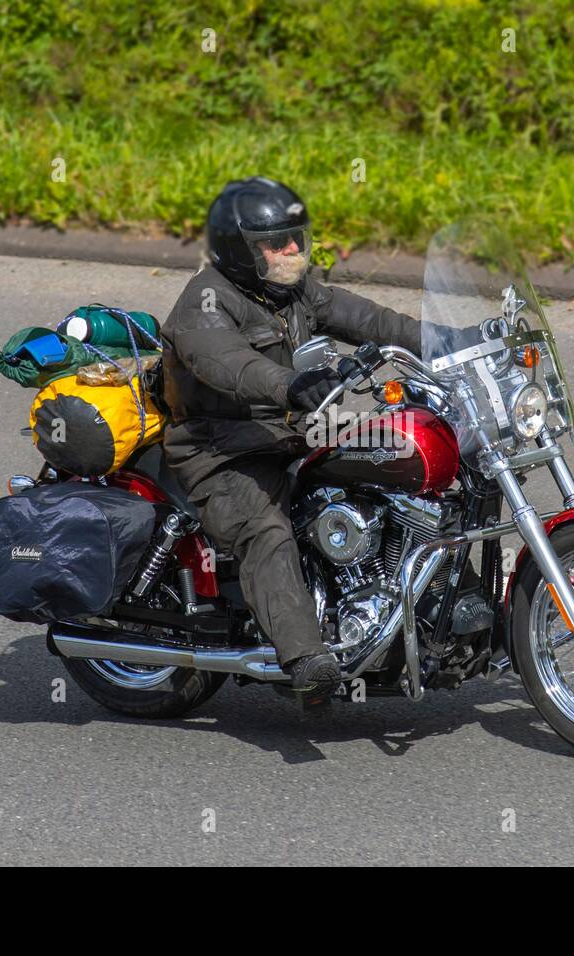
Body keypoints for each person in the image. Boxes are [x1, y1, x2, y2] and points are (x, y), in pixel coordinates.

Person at [160, 177, 422, 704]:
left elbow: (370, 319)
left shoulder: (293, 290)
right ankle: (308, 658)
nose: (293, 251)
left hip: (285, 436)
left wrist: (451, 340)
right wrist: (292, 385)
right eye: (275, 244)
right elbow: (231, 365)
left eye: (296, 238)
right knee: (265, 529)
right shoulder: (204, 302)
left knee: (386, 469)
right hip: (219, 449)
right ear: (240, 250)